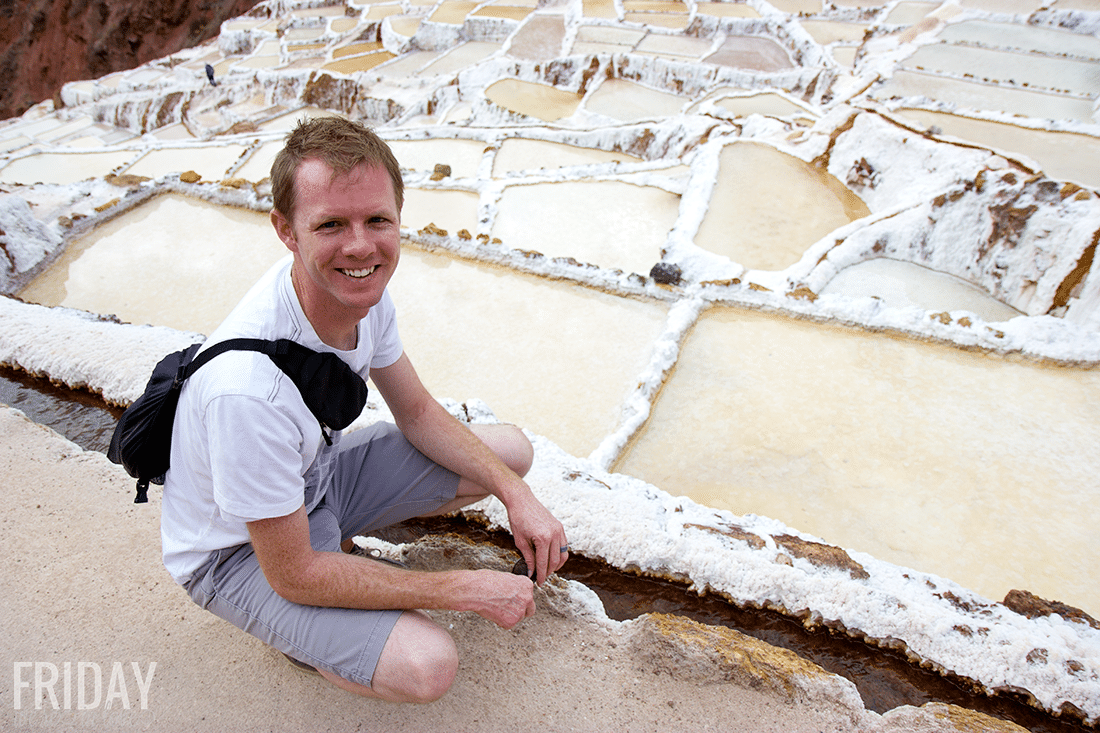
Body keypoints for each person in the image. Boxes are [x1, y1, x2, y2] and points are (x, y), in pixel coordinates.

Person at [160, 116, 569, 703]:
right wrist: (458, 588)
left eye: (377, 220)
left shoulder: (358, 291)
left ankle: (342, 566)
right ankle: (309, 639)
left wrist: (516, 496)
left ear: (399, 216)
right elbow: (294, 573)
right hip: (240, 551)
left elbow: (419, 412)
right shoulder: (247, 393)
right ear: (287, 230)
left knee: (509, 453)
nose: (360, 246)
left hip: (314, 483)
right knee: (424, 666)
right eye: (331, 224)